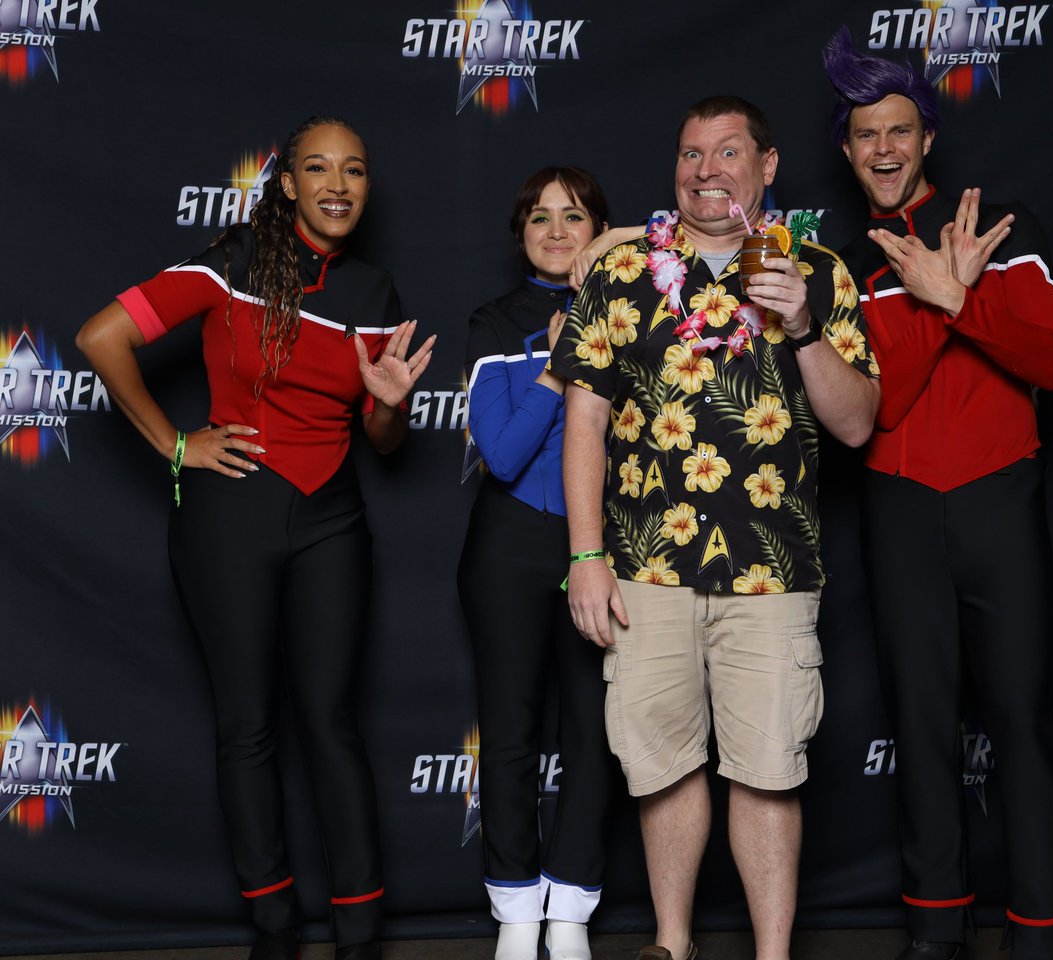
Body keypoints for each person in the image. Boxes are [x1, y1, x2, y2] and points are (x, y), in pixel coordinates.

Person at [76, 116, 434, 960]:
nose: (338, 185)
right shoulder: (227, 265)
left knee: (331, 721)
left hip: (331, 520)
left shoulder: (376, 292)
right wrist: (175, 445)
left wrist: (387, 403)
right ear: (288, 184)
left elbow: (383, 443)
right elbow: (102, 338)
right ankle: (273, 926)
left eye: (353, 170)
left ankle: (358, 932)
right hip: (228, 517)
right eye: (318, 168)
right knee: (247, 726)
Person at [551, 96, 880, 960]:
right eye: (691, 154)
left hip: (773, 572)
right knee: (661, 764)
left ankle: (772, 956)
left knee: (768, 768)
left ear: (766, 168)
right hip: (646, 568)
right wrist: (586, 556)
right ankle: (673, 944)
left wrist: (803, 325)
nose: (706, 171)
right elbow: (583, 421)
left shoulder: (820, 271)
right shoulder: (623, 274)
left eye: (728, 152)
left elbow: (855, 424)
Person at [823, 28, 1053, 960]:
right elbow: (876, 412)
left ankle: (1045, 931)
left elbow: (1050, 360)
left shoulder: (1002, 227)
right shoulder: (843, 270)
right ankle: (936, 931)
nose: (884, 149)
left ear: (927, 137)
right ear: (847, 151)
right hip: (898, 513)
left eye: (899, 130)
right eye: (865, 135)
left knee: (1022, 718)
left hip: (999, 503)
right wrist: (939, 300)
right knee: (920, 726)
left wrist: (963, 294)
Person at [457, 167, 642, 960]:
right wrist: (559, 362)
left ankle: (570, 908)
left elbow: (694, 231)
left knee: (597, 732)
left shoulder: (638, 306)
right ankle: (516, 912)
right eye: (540, 217)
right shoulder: (496, 321)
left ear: (602, 227)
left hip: (601, 547)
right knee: (509, 733)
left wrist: (621, 254)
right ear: (520, 233)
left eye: (577, 217)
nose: (558, 231)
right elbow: (498, 455)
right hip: (509, 545)